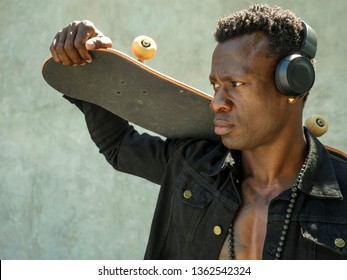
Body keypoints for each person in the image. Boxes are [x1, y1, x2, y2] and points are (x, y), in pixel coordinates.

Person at [49, 4, 347, 259]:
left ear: (293, 85)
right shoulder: (193, 163)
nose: (217, 103)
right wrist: (89, 69)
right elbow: (118, 146)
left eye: (236, 84)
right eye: (215, 86)